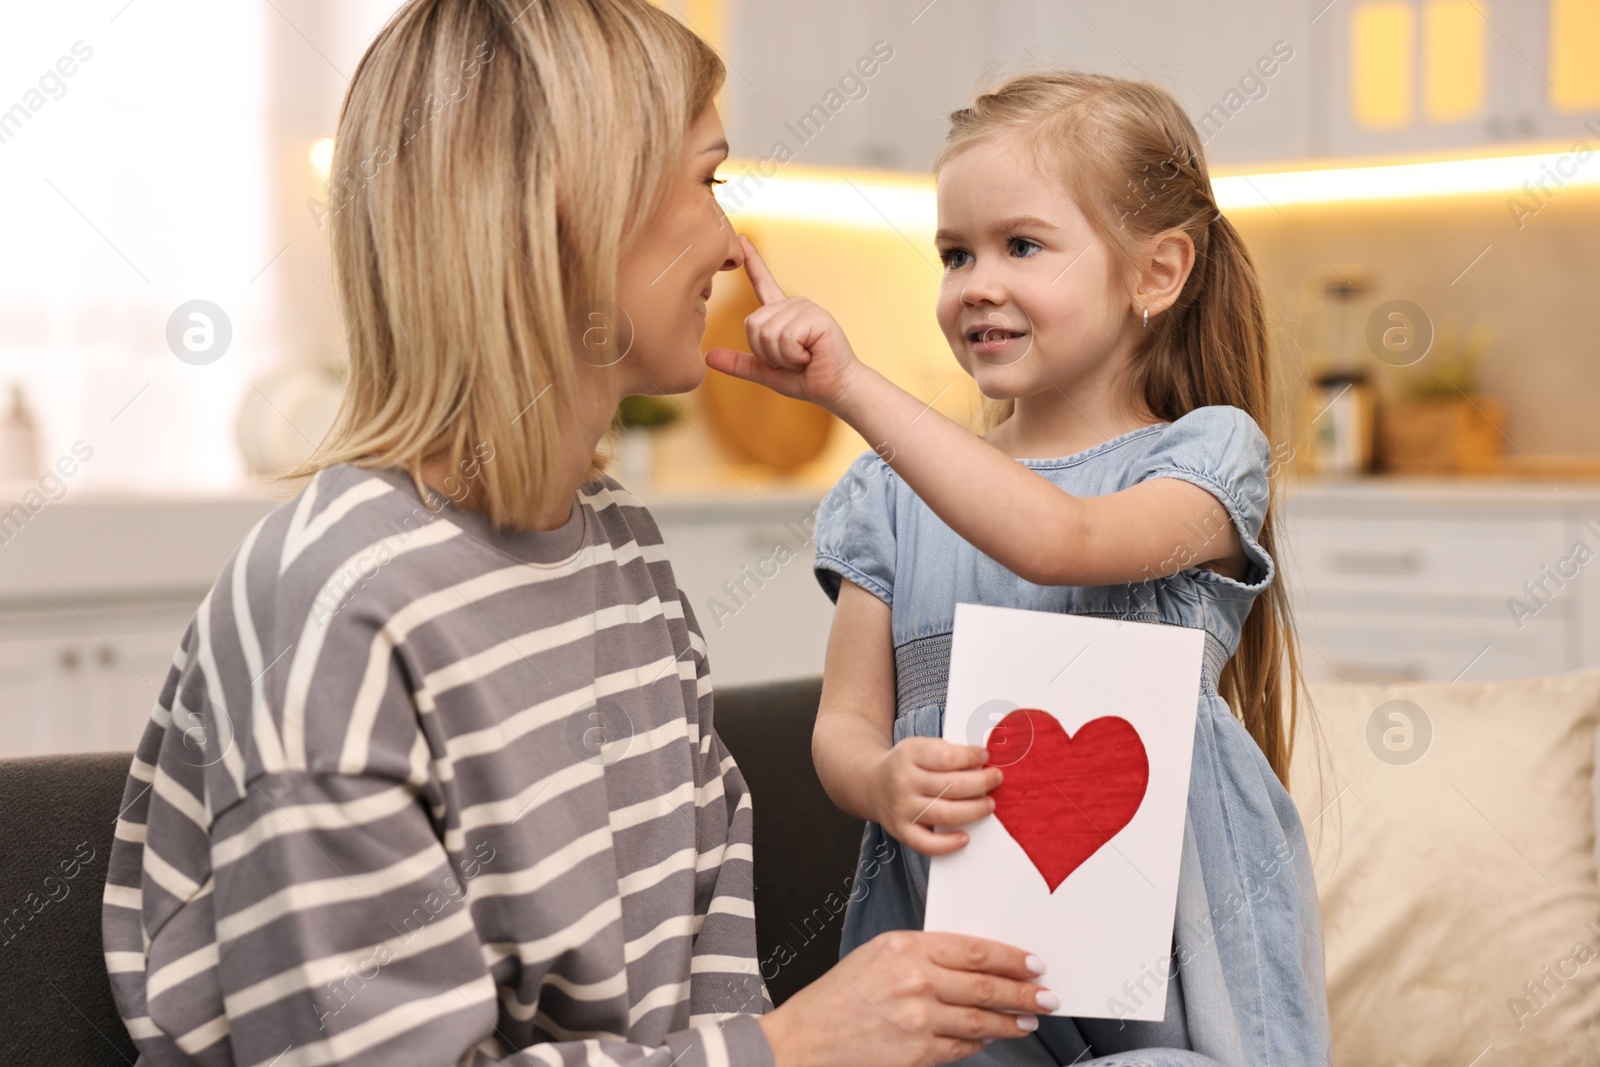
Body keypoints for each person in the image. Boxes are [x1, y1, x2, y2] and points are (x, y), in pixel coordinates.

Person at [99, 3, 1059, 1064]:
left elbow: (697, 997)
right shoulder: (330, 606)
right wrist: (789, 1047)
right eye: (706, 180)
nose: (731, 243)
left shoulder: (621, 552)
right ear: (571, 210)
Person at [704, 72, 1333, 1064]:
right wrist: (877, 776)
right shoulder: (888, 498)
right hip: (959, 933)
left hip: (1175, 932)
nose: (974, 282)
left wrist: (849, 385)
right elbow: (846, 719)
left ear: (1156, 272)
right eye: (954, 253)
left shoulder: (1206, 458)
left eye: (1021, 245)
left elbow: (1060, 540)